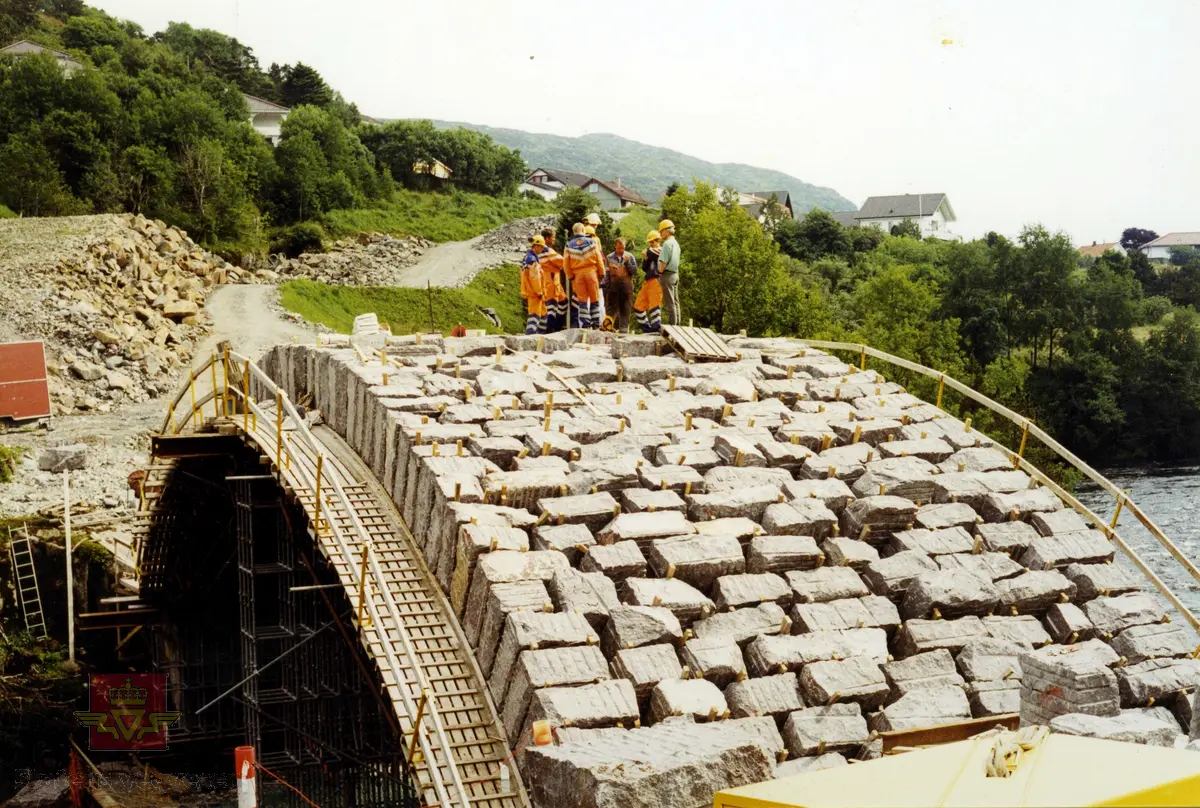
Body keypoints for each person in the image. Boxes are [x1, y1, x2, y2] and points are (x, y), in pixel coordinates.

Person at [563, 222, 603, 329]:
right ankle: (595, 324)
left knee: (582, 301)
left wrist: (571, 277)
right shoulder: (591, 242)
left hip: (578, 276)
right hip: (591, 273)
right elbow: (599, 259)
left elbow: (565, 264)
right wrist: (602, 273)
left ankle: (586, 324)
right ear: (583, 230)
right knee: (595, 299)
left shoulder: (568, 245)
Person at [605, 237, 637, 332]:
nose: (621, 250)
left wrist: (627, 263)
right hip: (613, 287)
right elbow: (606, 273)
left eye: (623, 248)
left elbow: (634, 271)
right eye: (619, 248)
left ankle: (623, 330)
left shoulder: (630, 257)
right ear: (615, 246)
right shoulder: (609, 257)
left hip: (626, 288)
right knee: (611, 309)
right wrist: (607, 286)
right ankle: (607, 328)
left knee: (625, 309)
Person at [634, 230, 664, 333]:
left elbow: (651, 252)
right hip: (647, 280)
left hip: (656, 280)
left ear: (658, 241)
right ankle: (647, 329)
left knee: (654, 306)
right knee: (638, 306)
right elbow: (644, 268)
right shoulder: (650, 252)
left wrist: (647, 252)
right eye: (650, 242)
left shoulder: (661, 250)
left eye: (652, 242)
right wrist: (646, 259)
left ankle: (656, 328)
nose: (651, 244)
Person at [538, 228, 567, 331]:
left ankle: (555, 326)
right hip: (551, 280)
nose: (554, 240)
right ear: (546, 238)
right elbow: (561, 261)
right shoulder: (547, 250)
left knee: (563, 301)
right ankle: (551, 329)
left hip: (550, 280)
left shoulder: (539, 250)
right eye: (553, 238)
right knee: (552, 305)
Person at [520, 235, 548, 334]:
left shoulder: (529, 258)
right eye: (541, 247)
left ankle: (540, 336)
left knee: (543, 315)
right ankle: (530, 336)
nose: (542, 249)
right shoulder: (532, 260)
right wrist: (539, 291)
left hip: (533, 291)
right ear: (536, 246)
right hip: (535, 293)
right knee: (534, 315)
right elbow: (534, 278)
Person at [657, 219, 681, 326]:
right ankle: (678, 324)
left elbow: (663, 262)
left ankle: (673, 326)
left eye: (661, 231)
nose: (661, 233)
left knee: (670, 303)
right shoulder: (675, 243)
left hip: (667, 275)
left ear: (667, 231)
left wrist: (659, 272)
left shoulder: (667, 244)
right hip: (675, 274)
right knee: (675, 302)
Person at [584, 224, 607, 326]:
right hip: (594, 279)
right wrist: (602, 276)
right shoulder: (595, 249)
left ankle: (588, 323)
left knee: (589, 302)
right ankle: (599, 323)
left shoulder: (580, 248)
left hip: (587, 279)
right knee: (597, 301)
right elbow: (601, 263)